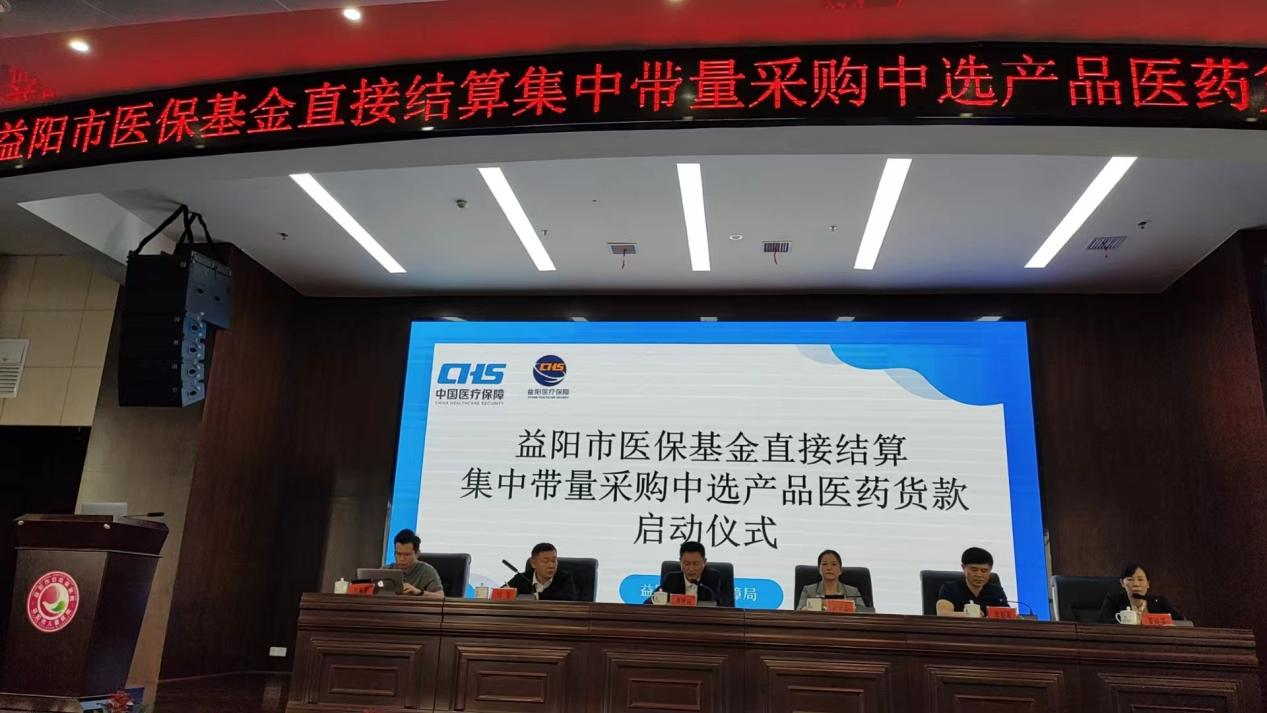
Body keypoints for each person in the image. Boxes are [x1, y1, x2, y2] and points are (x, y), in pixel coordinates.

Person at [654, 541, 734, 607]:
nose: (691, 568)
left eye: (696, 564)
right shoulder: (671, 579)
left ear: (704, 562)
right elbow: (652, 602)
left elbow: (723, 605)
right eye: (686, 564)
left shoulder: (712, 578)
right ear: (680, 562)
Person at [1096, 563, 1184, 624]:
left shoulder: (1159, 602)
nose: (1136, 584)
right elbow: (1101, 622)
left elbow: (1181, 622)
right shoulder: (1113, 600)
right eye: (1130, 579)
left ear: (1148, 583)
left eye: (1140, 579)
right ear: (1122, 583)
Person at [935, 546, 1009, 616]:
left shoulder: (996, 592)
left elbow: (1008, 617)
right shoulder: (950, 589)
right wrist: (969, 615)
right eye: (974, 570)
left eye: (984, 571)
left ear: (990, 570)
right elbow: (942, 614)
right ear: (963, 567)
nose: (979, 575)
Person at [796, 549, 872, 612]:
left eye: (834, 564)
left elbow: (865, 613)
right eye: (825, 564)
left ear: (840, 570)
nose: (829, 568)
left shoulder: (852, 592)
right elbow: (799, 613)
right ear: (819, 570)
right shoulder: (809, 591)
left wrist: (850, 608)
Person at [506, 542, 579, 601]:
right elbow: (502, 593)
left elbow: (567, 598)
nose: (551, 565)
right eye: (545, 561)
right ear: (533, 563)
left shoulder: (565, 579)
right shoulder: (522, 578)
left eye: (554, 560)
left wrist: (536, 597)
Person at [391, 529, 444, 598]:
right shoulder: (386, 570)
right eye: (398, 554)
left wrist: (419, 592)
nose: (402, 559)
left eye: (407, 554)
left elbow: (440, 597)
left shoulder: (427, 571)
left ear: (417, 553)